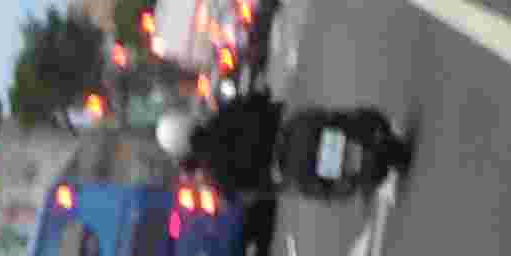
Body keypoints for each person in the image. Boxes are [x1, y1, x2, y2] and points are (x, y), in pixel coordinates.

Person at [158, 88, 410, 202]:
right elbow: (261, 100)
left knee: (330, 188)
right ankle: (374, 148)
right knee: (338, 120)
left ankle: (366, 172)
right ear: (187, 122)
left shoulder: (215, 175)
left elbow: (250, 193)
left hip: (291, 169)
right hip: (296, 133)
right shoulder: (223, 115)